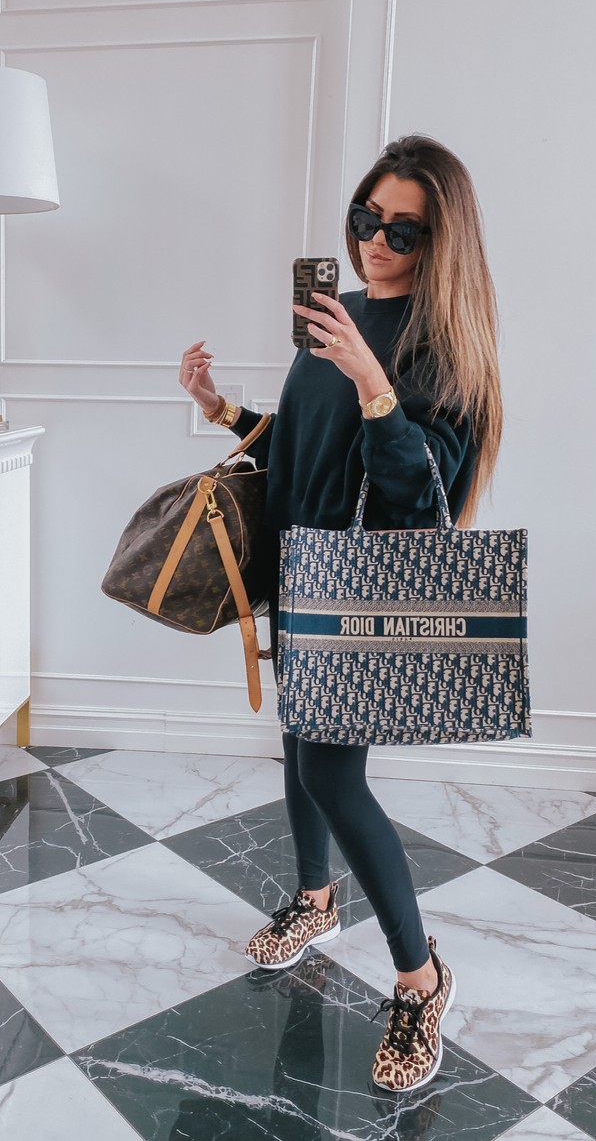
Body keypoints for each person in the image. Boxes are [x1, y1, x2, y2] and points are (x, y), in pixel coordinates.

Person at [178, 135, 502, 1094]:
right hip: (299, 568)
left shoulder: (445, 350)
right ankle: (316, 900)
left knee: (329, 768)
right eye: (368, 217)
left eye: (404, 229)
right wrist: (222, 409)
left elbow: (421, 502)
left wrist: (374, 379)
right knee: (297, 747)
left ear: (441, 242)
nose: (377, 241)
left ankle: (420, 975)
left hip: (363, 590)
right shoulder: (334, 316)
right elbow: (302, 446)